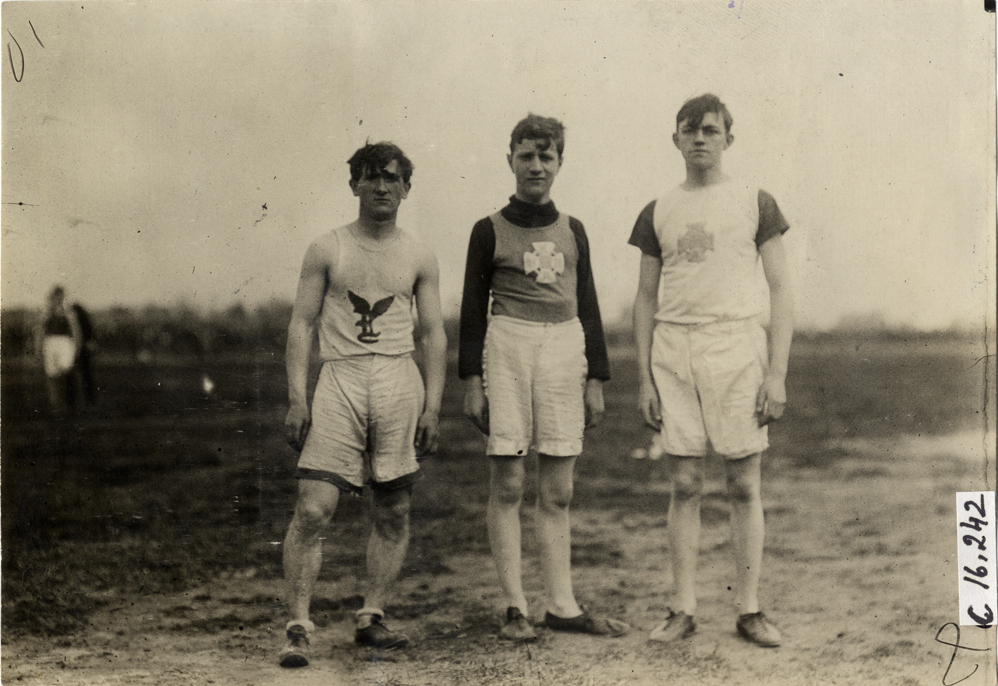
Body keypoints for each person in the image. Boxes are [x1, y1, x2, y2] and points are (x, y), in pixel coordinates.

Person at [630, 93, 793, 647]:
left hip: (736, 345)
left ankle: (749, 609)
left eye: (710, 130)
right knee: (684, 483)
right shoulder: (658, 209)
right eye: (689, 130)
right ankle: (682, 608)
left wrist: (776, 373)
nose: (699, 138)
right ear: (675, 138)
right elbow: (645, 297)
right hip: (674, 349)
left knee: (744, 483)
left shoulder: (755, 201)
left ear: (728, 138)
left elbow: (781, 288)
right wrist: (644, 378)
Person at [460, 114, 629, 642]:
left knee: (558, 489)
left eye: (546, 156)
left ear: (560, 161)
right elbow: (472, 310)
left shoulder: (573, 229)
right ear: (510, 159)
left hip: (563, 349)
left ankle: (561, 605)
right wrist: (472, 381)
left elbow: (588, 304)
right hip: (508, 347)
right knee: (509, 482)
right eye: (526, 156)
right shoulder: (488, 229)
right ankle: (515, 606)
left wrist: (595, 379)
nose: (536, 166)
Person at [278, 141, 447, 667]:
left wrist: (433, 406)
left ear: (406, 188)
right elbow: (301, 325)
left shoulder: (418, 254)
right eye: (371, 177)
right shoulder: (327, 248)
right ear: (354, 183)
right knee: (313, 507)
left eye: (392, 178)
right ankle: (298, 627)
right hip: (340, 378)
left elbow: (433, 333)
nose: (381, 186)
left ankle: (372, 616)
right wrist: (297, 398)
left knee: (394, 508)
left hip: (398, 378)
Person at [38, 285, 84, 415]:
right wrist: (39, 346)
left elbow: (75, 330)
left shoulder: (68, 312)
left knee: (67, 371)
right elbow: (40, 331)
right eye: (55, 296)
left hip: (65, 342)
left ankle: (70, 402)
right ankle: (55, 404)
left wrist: (77, 346)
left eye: (60, 296)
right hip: (50, 342)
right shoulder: (46, 312)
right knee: (52, 374)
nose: (58, 299)